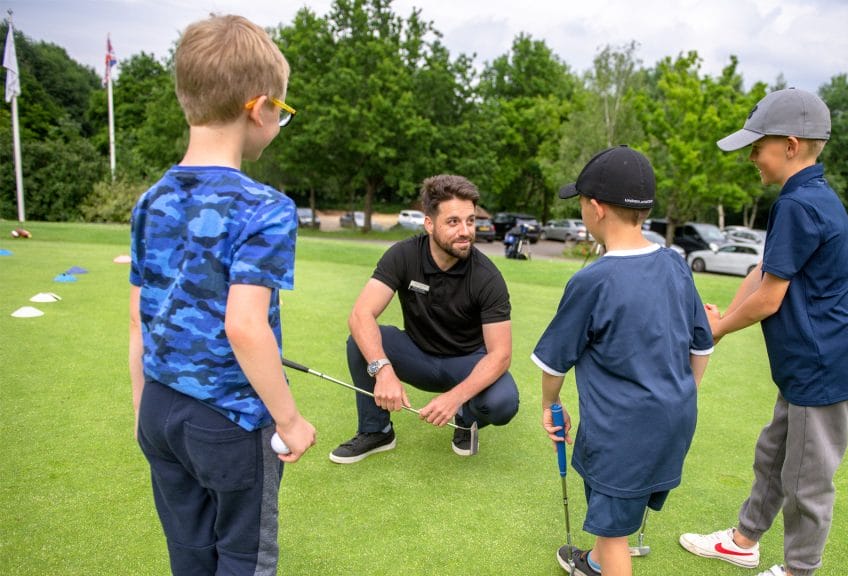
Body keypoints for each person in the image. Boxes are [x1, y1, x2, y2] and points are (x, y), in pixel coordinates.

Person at [128, 14, 316, 575]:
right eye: (281, 112)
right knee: (243, 557)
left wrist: (144, 410)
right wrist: (289, 420)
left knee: (188, 552)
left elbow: (139, 320)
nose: (278, 123)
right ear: (258, 109)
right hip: (229, 420)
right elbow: (245, 325)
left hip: (160, 408)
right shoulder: (265, 209)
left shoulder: (150, 201)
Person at [678, 88, 848, 576]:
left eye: (758, 146)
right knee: (774, 452)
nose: (751, 156)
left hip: (824, 365)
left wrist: (717, 329)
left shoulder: (801, 204)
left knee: (807, 479)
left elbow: (770, 300)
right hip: (809, 364)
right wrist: (718, 320)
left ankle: (798, 569)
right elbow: (764, 273)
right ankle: (744, 540)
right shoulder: (805, 196)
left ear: (790, 145)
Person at [533, 145, 714, 576]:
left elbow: (554, 365)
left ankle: (604, 560)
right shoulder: (676, 263)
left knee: (615, 530)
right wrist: (679, 398)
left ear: (595, 209)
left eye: (579, 203)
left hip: (622, 432)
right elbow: (701, 347)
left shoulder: (592, 280)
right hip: (675, 419)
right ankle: (594, 561)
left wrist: (548, 406)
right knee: (615, 504)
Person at [330, 174, 519, 463]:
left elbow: (501, 355)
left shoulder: (487, 277)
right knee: (360, 341)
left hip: (466, 363)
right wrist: (383, 370)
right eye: (453, 222)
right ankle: (376, 430)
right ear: (429, 223)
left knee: (503, 402)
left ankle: (464, 418)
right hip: (416, 354)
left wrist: (454, 398)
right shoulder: (403, 255)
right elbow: (360, 314)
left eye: (470, 221)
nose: (466, 231)